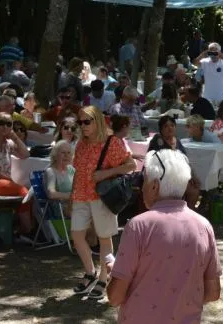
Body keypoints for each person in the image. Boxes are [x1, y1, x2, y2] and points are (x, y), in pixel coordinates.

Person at [106, 149, 221, 322]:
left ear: (154, 186)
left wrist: (112, 275)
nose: (140, 186)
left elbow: (115, 297)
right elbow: (213, 292)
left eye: (143, 180)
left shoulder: (138, 226)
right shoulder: (204, 226)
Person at [70, 106, 136, 299]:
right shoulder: (81, 143)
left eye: (87, 121)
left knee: (104, 237)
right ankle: (90, 272)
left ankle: (103, 277)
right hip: (81, 195)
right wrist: (71, 196)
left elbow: (131, 165)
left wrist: (106, 173)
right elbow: (78, 172)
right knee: (77, 235)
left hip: (102, 196)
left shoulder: (112, 142)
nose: (83, 126)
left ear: (97, 120)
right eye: (80, 122)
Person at [0, 112, 32, 235]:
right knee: (23, 191)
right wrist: (10, 180)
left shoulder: (7, 143)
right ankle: (28, 230)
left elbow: (25, 154)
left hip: (3, 180)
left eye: (9, 124)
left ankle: (20, 228)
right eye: (1, 123)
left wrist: (14, 137)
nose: (5, 127)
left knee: (29, 192)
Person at [45, 140, 75, 219]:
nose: (66, 156)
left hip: (75, 205)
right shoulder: (51, 171)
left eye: (69, 153)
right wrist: (70, 196)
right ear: (55, 155)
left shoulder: (71, 169)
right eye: (63, 153)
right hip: (61, 207)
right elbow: (51, 194)